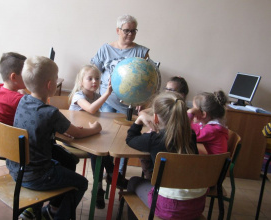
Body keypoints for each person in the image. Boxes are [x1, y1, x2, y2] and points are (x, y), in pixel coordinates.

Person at [9, 56, 102, 220]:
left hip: (17, 169)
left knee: (68, 161)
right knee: (81, 183)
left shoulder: (23, 101)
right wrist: (95, 129)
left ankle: (47, 208)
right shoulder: (51, 113)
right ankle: (55, 215)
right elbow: (77, 134)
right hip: (38, 175)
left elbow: (38, 127)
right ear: (50, 85)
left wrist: (60, 131)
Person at [126, 92, 206, 220]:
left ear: (155, 118)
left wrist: (140, 119)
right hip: (196, 207)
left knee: (133, 182)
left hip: (167, 207)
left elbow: (130, 139)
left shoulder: (154, 139)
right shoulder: (190, 136)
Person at [91, 14, 150, 178]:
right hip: (107, 101)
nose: (130, 34)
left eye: (133, 31)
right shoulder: (105, 49)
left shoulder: (141, 52)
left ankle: (118, 176)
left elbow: (148, 78)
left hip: (129, 105)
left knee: (124, 142)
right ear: (118, 30)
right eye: (126, 31)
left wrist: (144, 99)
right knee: (105, 139)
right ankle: (102, 175)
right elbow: (92, 72)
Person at [69, 64, 127, 209]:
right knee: (97, 152)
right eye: (90, 78)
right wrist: (107, 93)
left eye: (97, 79)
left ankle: (101, 185)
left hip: (87, 133)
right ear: (81, 81)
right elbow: (91, 109)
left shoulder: (95, 95)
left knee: (103, 149)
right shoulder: (78, 96)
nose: (95, 81)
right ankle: (110, 178)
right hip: (73, 135)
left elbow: (95, 116)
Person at [187, 90, 229, 154]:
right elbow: (195, 127)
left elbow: (188, 135)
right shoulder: (208, 125)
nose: (192, 109)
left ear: (203, 114)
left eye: (194, 109)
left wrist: (190, 114)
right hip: (211, 159)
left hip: (213, 163)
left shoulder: (212, 130)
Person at [0, 52, 27, 126]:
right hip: (16, 136)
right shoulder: (20, 100)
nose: (28, 77)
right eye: (25, 74)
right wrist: (26, 96)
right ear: (13, 77)